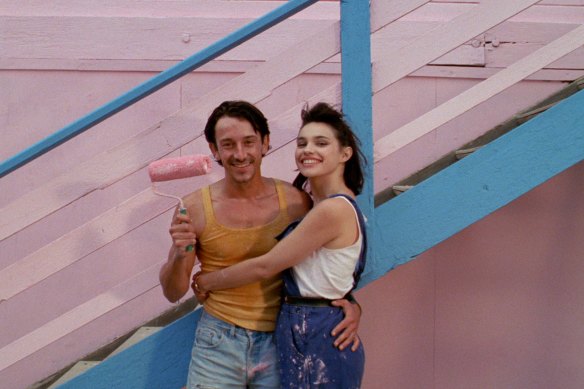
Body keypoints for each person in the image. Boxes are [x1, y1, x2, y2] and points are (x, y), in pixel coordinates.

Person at [158, 100, 362, 389]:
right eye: (228, 145)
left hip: (281, 341)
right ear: (214, 150)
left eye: (249, 142)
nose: (240, 154)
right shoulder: (194, 208)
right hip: (217, 340)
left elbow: (328, 263)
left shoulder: (296, 202)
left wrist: (350, 305)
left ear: (265, 144)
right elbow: (173, 291)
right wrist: (180, 254)